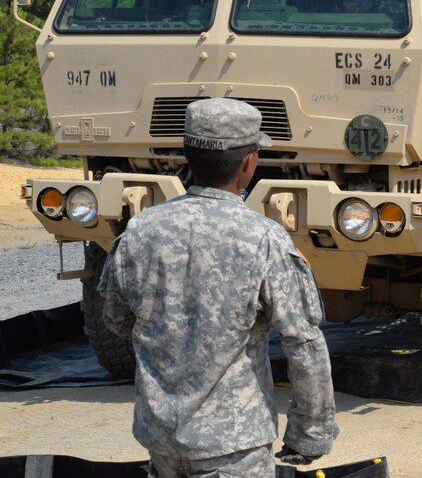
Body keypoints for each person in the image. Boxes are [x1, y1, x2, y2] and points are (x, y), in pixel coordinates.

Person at [100, 98, 339, 475]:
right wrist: (311, 432)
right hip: (235, 448)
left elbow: (115, 317)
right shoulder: (263, 238)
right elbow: (303, 342)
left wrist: (177, 345)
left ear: (186, 155)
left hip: (162, 440)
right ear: (248, 163)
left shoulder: (140, 231)